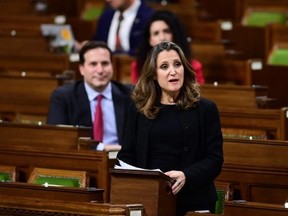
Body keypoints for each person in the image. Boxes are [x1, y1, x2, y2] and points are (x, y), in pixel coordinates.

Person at [117, 41, 223, 215]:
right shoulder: (139, 109)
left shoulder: (205, 109)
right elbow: (127, 155)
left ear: (184, 68)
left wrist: (186, 175)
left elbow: (215, 160)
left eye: (177, 64)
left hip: (193, 198)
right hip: (149, 199)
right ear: (153, 75)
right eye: (164, 67)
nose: (173, 72)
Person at [47, 41, 132, 151]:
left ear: (112, 66)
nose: (100, 70)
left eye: (105, 63)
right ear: (81, 69)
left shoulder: (131, 95)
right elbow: (57, 138)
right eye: (93, 64)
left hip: (122, 160)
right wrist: (102, 148)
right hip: (80, 161)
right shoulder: (63, 97)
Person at [131, 10, 205, 84]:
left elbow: (197, 93)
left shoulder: (194, 67)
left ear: (175, 34)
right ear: (150, 40)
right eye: (156, 33)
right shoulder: (139, 66)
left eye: (167, 31)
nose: (162, 37)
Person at [89, 0, 154, 56]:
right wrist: (88, 46)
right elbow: (97, 43)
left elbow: (147, 51)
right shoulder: (105, 17)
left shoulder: (149, 17)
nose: (108, 0)